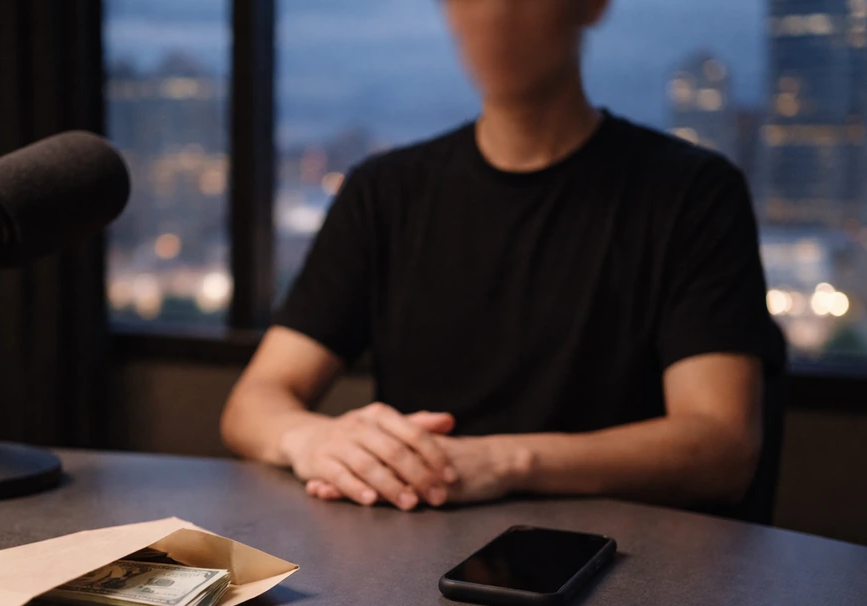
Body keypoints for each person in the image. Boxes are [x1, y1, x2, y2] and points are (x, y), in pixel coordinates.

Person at [220, 0, 786, 520]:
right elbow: (255, 401)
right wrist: (311, 439)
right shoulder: (387, 193)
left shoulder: (691, 193)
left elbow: (722, 446)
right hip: (410, 570)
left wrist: (499, 463)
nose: (493, 13)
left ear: (590, 5)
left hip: (627, 571)